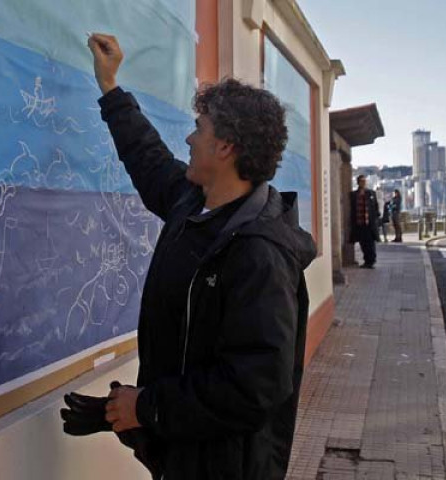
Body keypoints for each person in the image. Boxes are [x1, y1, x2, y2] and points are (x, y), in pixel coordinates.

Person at [61, 33, 316, 480]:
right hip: (182, 455)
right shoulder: (194, 205)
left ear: (225, 148)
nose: (189, 137)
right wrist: (111, 88)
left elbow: (252, 386)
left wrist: (146, 406)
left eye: (199, 128)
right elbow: (149, 158)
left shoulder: (260, 255)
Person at [348, 175, 379, 268]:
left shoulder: (371, 193)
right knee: (363, 243)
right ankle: (367, 261)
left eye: (364, 181)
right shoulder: (354, 195)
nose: (363, 182)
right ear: (358, 182)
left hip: (369, 223)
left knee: (370, 243)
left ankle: (371, 261)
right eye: (361, 181)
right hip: (359, 223)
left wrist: (375, 218)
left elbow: (375, 207)